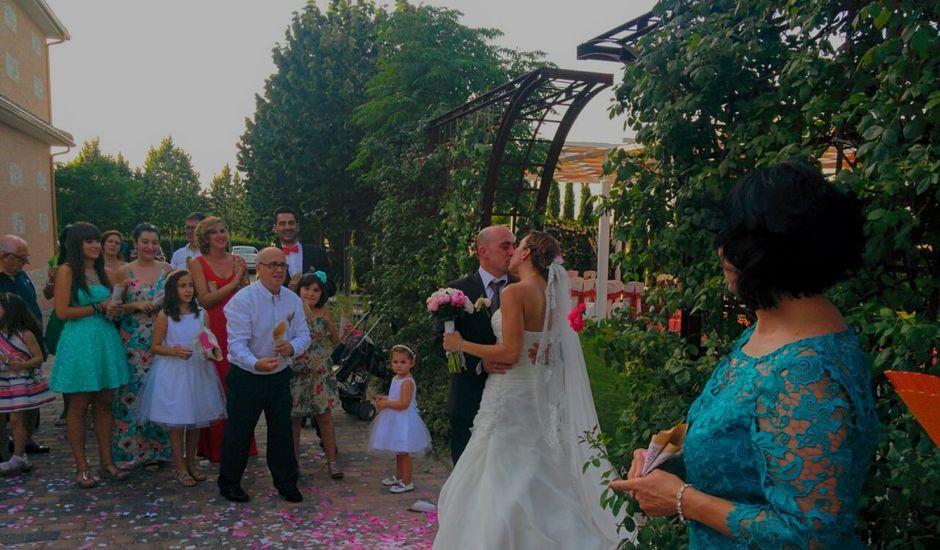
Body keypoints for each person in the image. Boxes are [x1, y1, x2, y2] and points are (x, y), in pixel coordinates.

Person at [609, 160, 878, 548]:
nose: (721, 253)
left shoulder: (804, 374)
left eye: (728, 240)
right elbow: (737, 432)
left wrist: (681, 499)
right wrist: (665, 454)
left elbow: (809, 535)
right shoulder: (768, 331)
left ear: (753, 252)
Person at [435, 230, 620, 549]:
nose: (511, 251)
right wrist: (545, 351)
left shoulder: (514, 292)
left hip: (509, 392)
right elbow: (552, 345)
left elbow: (509, 352)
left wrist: (461, 344)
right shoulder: (550, 293)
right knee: (535, 463)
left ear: (526, 254)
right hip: (536, 390)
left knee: (499, 470)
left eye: (516, 246)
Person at [218, 247, 310, 503]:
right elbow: (236, 344)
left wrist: (292, 347)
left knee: (281, 431)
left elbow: (304, 334)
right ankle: (229, 483)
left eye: (282, 264)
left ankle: (286, 483)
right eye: (272, 264)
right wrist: (255, 363)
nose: (278, 269)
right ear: (258, 268)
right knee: (239, 431)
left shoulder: (293, 300)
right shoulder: (242, 300)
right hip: (247, 375)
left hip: (279, 374)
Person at [48, 222, 130, 488]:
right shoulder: (67, 271)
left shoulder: (105, 272)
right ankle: (82, 466)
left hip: (105, 340)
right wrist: (97, 307)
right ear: (76, 244)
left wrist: (114, 310)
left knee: (106, 402)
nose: (95, 245)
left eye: (97, 240)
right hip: (80, 343)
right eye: (88, 241)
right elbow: (62, 311)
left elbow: (110, 305)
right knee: (79, 406)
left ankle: (107, 462)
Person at [432, 224, 515, 464]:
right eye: (505, 246)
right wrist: (479, 363)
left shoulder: (523, 287)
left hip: (515, 396)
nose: (512, 251)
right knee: (466, 471)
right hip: (470, 396)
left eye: (513, 245)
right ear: (483, 252)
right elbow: (440, 343)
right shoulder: (456, 291)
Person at [137, 270, 226, 487]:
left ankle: (191, 461)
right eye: (182, 286)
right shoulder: (165, 316)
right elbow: (155, 346)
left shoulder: (202, 313)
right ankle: (179, 466)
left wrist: (210, 351)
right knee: (177, 421)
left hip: (198, 370)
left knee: (196, 419)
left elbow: (207, 339)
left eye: (190, 285)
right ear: (173, 290)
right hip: (174, 372)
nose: (187, 290)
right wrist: (174, 351)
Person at [189, 216, 253, 462]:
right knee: (214, 384)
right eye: (214, 232)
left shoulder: (237, 260)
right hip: (212, 327)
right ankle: (214, 447)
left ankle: (242, 445)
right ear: (205, 237)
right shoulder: (196, 263)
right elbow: (205, 300)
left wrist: (239, 284)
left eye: (223, 230)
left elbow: (246, 293)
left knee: (239, 384)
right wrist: (235, 282)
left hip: (237, 326)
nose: (220, 235)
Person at [111, 223, 172, 470]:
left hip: (161, 338)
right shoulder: (123, 272)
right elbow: (113, 311)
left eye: (154, 242)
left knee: (160, 392)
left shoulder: (169, 271)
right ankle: (132, 450)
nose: (150, 246)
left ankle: (160, 449)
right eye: (145, 241)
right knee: (131, 393)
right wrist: (132, 307)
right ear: (135, 243)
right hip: (132, 341)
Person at [0, 234, 51, 455]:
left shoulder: (22, 276)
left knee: (31, 394)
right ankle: (6, 445)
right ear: (4, 257)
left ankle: (27, 439)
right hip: (7, 348)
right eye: (22, 258)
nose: (26, 262)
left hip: (31, 343)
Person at [290, 272, 343, 479]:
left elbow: (335, 339)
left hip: (320, 371)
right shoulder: (291, 312)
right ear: (299, 289)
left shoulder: (324, 312)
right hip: (296, 371)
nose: (310, 293)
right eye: (307, 288)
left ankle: (332, 461)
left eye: (315, 290)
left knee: (325, 416)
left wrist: (342, 330)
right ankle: (293, 463)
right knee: (293, 418)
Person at [0, 293, 54, 475]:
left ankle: (18, 454)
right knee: (12, 419)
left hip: (20, 382)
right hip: (5, 382)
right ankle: (18, 455)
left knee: (16, 419)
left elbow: (38, 358)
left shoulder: (26, 334)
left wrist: (23, 364)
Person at [367, 344, 431, 494]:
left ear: (411, 363)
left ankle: (407, 481)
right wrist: (386, 398)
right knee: (398, 451)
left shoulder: (407, 381)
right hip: (395, 420)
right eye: (395, 362)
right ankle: (399, 476)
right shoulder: (396, 378)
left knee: (404, 452)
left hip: (404, 422)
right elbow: (397, 397)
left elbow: (403, 403)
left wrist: (386, 403)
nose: (399, 365)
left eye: (403, 362)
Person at [272, 206, 335, 296]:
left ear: (297, 227)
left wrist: (308, 285)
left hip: (311, 309)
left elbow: (331, 288)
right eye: (282, 223)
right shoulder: (268, 256)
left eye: (291, 223)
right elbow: (263, 289)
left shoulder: (317, 253)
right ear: (275, 228)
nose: (287, 227)